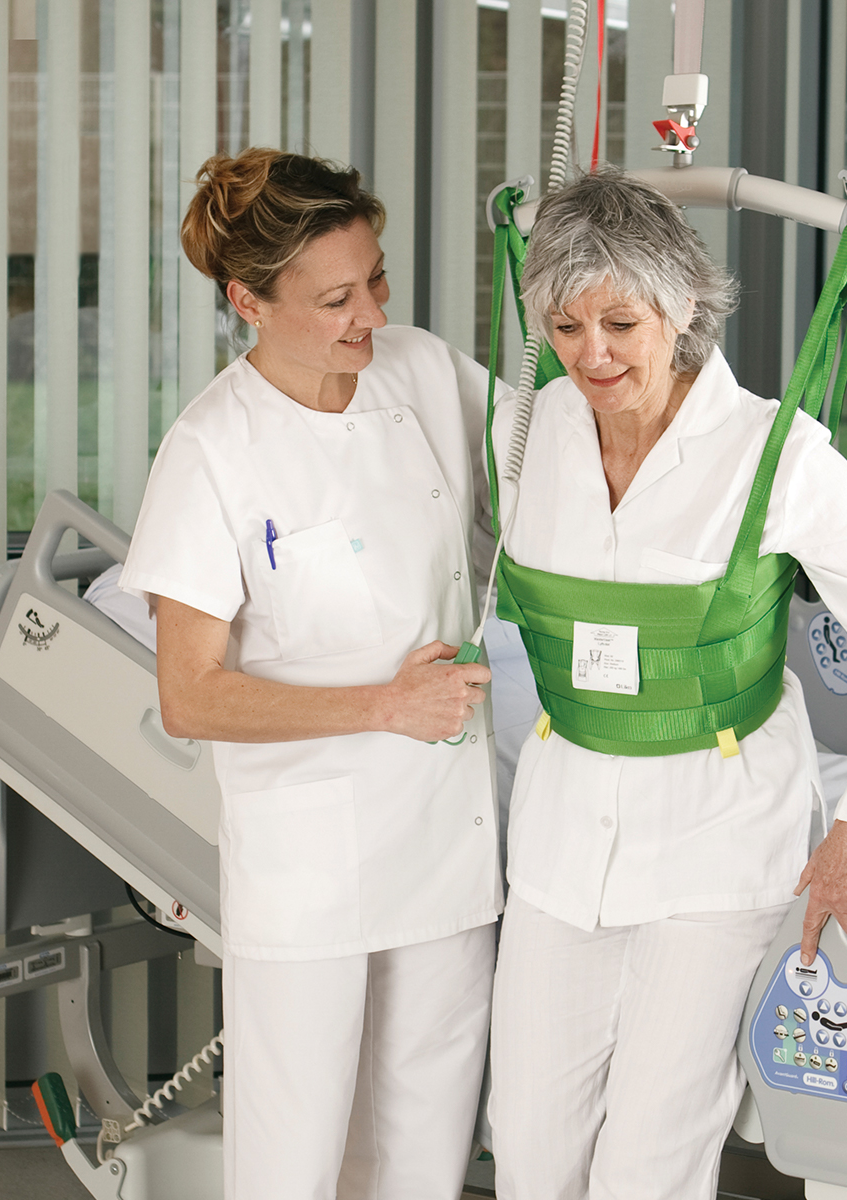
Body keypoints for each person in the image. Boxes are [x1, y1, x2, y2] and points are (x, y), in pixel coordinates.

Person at [486, 169, 847, 1199]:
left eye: (621, 320)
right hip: (562, 841)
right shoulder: (522, 433)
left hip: (715, 848)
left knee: (645, 1165)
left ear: (684, 306)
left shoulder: (774, 455)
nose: (593, 355)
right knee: (528, 1153)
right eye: (565, 327)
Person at [119, 148, 502, 1200]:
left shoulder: (421, 373)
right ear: (248, 301)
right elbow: (189, 692)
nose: (369, 316)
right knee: (294, 1164)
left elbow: (549, 469)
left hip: (444, 847)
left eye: (375, 279)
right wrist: (385, 703)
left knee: (424, 1157)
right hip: (311, 870)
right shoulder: (213, 450)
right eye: (335, 298)